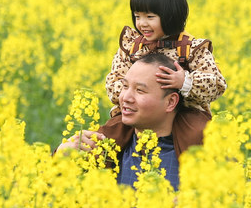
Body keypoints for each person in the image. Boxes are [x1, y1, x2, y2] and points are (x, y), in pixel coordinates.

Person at [101, 0, 226, 159]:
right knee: (108, 137)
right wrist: (134, 93)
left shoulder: (191, 48)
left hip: (184, 114)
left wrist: (185, 81)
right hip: (138, 112)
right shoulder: (131, 47)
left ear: (171, 15)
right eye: (137, 16)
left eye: (150, 17)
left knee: (199, 136)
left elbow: (217, 84)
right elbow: (113, 82)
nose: (142, 23)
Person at [55, 53, 184, 191]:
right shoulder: (106, 148)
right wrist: (59, 159)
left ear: (170, 102)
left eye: (140, 90)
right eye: (125, 86)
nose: (126, 97)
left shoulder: (193, 161)